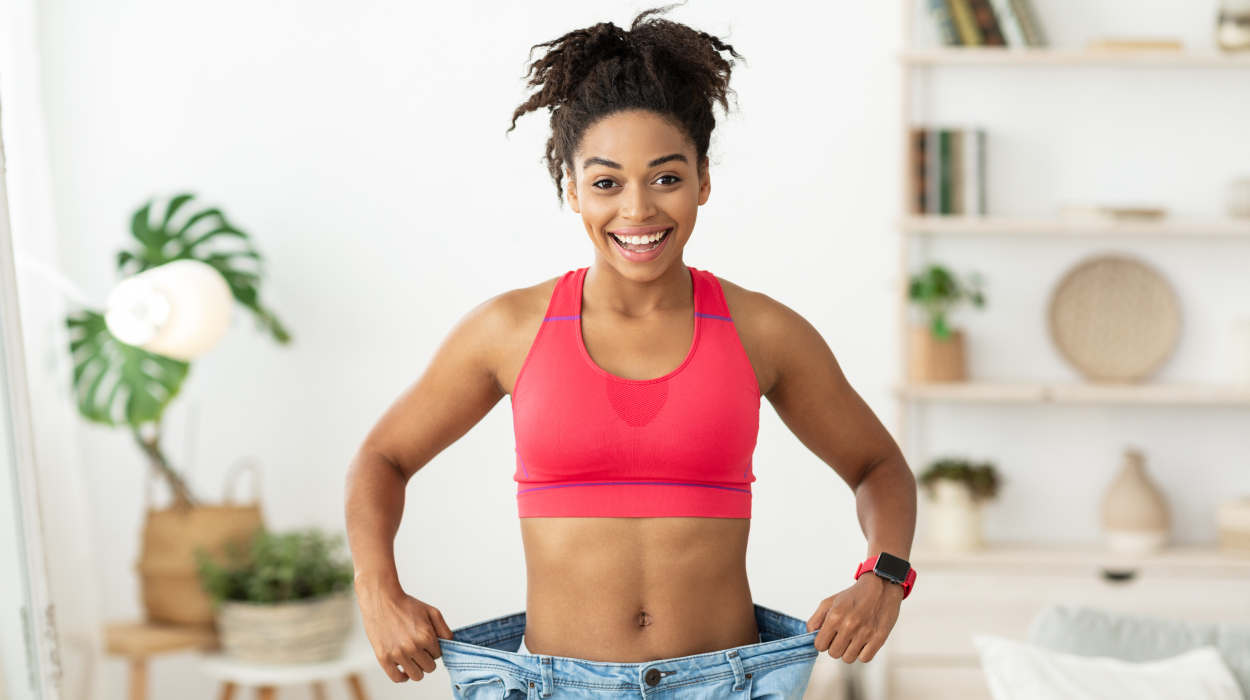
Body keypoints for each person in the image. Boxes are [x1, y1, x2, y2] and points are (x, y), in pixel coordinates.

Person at [345, 7, 917, 699]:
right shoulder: (509, 329)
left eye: (667, 178)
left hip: (725, 683)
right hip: (552, 685)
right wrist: (377, 589)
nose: (639, 210)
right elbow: (384, 459)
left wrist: (884, 577)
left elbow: (877, 465)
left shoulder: (763, 331)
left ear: (704, 180)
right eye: (607, 182)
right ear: (572, 189)